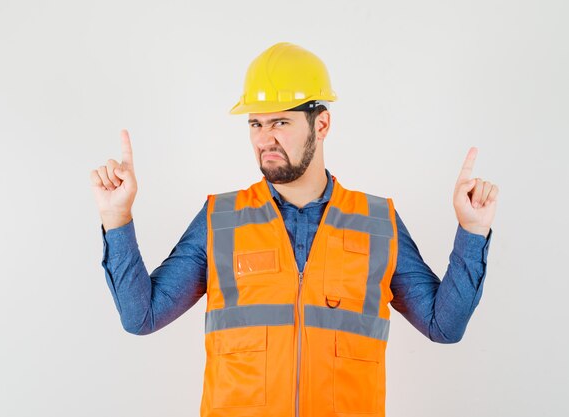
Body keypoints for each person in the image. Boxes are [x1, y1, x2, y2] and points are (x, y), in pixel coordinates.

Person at [90, 42, 498, 417]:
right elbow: (140, 316)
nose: (264, 138)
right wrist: (117, 219)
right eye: (255, 124)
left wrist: (473, 232)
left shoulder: (379, 223)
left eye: (280, 122)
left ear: (321, 125)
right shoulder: (220, 219)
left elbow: (443, 326)